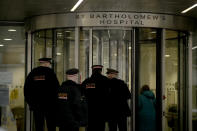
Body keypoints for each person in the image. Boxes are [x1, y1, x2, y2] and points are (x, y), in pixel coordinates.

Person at [24, 57, 60, 131]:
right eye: (49, 64)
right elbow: (56, 89)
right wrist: (56, 103)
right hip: (50, 105)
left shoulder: (33, 73)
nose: (50, 65)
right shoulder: (50, 72)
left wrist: (31, 104)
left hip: (37, 106)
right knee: (51, 125)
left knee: (39, 125)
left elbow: (26, 89)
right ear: (46, 63)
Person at [81, 65, 110, 131]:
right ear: (100, 71)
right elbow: (109, 94)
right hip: (102, 109)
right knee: (100, 126)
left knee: (90, 126)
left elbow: (81, 91)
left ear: (93, 71)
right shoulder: (105, 80)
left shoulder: (87, 81)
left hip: (90, 109)